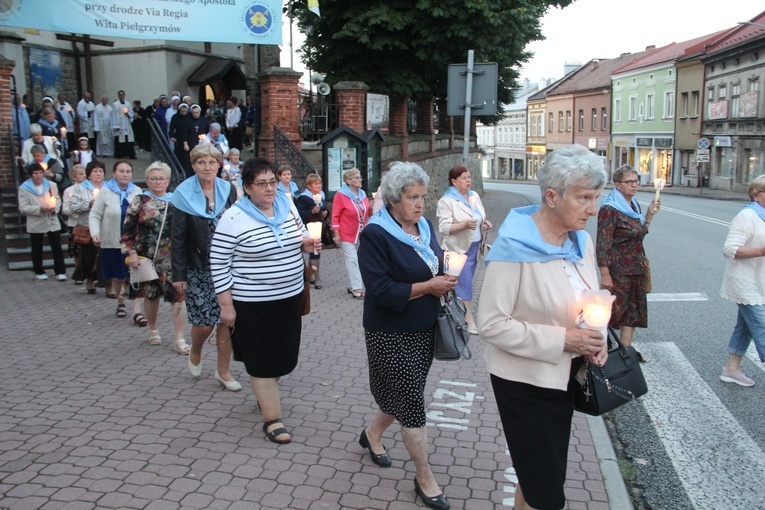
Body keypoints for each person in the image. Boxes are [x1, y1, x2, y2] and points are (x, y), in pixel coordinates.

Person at [477, 144, 609, 510]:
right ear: (552, 196)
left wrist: (597, 336)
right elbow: (491, 324)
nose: (593, 209)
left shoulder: (580, 241)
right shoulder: (514, 246)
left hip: (563, 378)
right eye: (584, 197)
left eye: (596, 197)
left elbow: (588, 297)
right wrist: (565, 339)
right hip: (524, 384)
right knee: (547, 492)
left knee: (536, 478)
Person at [357, 162, 456, 510]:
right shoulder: (375, 234)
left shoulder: (424, 226)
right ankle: (424, 477)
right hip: (390, 332)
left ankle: (372, 435)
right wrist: (430, 285)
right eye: (412, 198)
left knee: (401, 393)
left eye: (422, 196)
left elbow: (432, 259)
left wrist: (447, 267)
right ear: (393, 200)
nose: (419, 204)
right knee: (412, 402)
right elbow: (380, 290)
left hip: (424, 327)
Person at [211, 157, 320, 444]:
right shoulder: (233, 218)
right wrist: (226, 305)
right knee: (261, 360)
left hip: (289, 297)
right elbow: (219, 262)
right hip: (252, 303)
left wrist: (307, 243)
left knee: (283, 357)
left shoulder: (287, 205)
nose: (269, 188)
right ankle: (272, 419)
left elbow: (298, 237)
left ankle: (266, 393)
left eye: (272, 181)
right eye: (261, 184)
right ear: (247, 187)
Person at [170, 144, 241, 391]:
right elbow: (177, 238)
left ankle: (223, 371)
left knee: (226, 320)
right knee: (204, 323)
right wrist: (178, 274)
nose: (207, 167)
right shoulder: (182, 194)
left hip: (228, 266)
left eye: (212, 162)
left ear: (219, 164)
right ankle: (196, 349)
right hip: (198, 266)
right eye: (201, 163)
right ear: (193, 166)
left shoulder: (229, 189)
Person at [122, 161, 190, 354]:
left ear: (168, 180)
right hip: (147, 255)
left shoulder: (177, 200)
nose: (158, 182)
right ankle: (153, 329)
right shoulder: (139, 200)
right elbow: (128, 229)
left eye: (161, 178)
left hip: (172, 256)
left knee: (178, 296)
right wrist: (132, 252)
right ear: (147, 181)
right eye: (153, 178)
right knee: (151, 295)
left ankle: (179, 338)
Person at [597, 164, 660, 362]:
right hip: (618, 270)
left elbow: (639, 234)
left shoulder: (634, 207)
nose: (634, 185)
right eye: (629, 182)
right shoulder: (610, 209)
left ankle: (626, 351)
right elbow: (603, 243)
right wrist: (605, 272)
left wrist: (649, 214)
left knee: (632, 311)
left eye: (636, 181)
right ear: (617, 184)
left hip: (636, 267)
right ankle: (601, 349)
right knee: (613, 312)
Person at [719, 175, 765, 387]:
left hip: (760, 282)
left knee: (745, 327)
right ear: (756, 194)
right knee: (762, 327)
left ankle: (731, 369)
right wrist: (760, 251)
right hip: (745, 283)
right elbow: (730, 249)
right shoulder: (748, 216)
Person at [436, 164, 492, 335]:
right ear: (453, 181)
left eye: (469, 177)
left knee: (458, 283)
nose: (468, 180)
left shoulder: (474, 196)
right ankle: (468, 318)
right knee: (464, 282)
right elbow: (444, 228)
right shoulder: (447, 201)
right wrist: (464, 225)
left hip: (474, 246)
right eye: (464, 178)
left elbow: (479, 216)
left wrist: (484, 223)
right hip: (456, 249)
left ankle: (452, 313)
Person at [89, 160, 141, 318]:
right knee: (118, 275)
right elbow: (95, 214)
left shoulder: (137, 191)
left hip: (133, 241)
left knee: (135, 274)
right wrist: (95, 233)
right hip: (112, 239)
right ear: (114, 174)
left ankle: (137, 309)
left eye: (128, 172)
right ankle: (121, 302)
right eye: (121, 171)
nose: (125, 175)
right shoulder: (105, 191)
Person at [18, 163, 67, 281]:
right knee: (37, 247)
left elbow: (58, 199)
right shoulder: (24, 188)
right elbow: (23, 207)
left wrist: (54, 208)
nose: (38, 176)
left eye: (40, 172)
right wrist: (39, 209)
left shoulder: (51, 185)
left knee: (56, 246)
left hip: (51, 219)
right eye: (35, 173)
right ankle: (39, 270)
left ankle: (60, 271)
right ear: (31, 175)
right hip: (36, 221)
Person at [332, 168, 372, 298]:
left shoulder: (363, 194)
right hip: (347, 232)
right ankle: (357, 288)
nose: (360, 180)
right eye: (357, 178)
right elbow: (335, 215)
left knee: (363, 259)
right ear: (349, 181)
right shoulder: (341, 195)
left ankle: (360, 284)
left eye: (360, 177)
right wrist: (336, 233)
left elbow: (368, 212)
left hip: (362, 232)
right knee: (352, 260)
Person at [69, 160, 106, 294]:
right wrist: (89, 204)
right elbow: (72, 207)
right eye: (95, 171)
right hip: (87, 226)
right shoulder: (80, 188)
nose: (98, 174)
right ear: (89, 174)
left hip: (105, 227)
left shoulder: (108, 188)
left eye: (101, 171)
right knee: (89, 256)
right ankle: (90, 280)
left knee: (104, 256)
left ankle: (107, 284)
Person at [295, 173, 328, 289]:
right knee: (314, 252)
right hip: (309, 227)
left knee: (316, 251)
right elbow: (299, 214)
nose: (319, 186)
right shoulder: (303, 198)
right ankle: (317, 278)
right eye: (316, 184)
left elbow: (324, 208)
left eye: (320, 183)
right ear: (309, 186)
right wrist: (312, 212)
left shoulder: (321, 195)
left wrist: (325, 213)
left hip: (319, 226)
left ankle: (310, 276)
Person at [62, 164, 87, 283]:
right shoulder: (69, 191)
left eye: (85, 173)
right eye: (81, 174)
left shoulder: (90, 189)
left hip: (88, 223)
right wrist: (76, 209)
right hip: (75, 223)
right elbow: (65, 209)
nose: (84, 176)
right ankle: (79, 274)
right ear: (74, 177)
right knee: (77, 251)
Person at [169, 103, 191, 177]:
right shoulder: (175, 117)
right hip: (179, 139)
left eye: (185, 111)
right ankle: (180, 171)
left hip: (189, 139)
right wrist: (171, 136)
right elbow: (171, 128)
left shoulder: (190, 116)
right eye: (182, 111)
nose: (184, 113)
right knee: (180, 157)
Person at [112, 90, 136, 159]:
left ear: (124, 96)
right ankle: (119, 154)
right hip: (120, 125)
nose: (121, 96)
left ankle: (130, 154)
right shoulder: (115, 105)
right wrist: (116, 125)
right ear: (118, 96)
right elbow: (114, 115)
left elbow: (132, 113)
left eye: (122, 95)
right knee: (119, 139)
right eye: (120, 95)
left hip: (127, 124)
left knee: (129, 139)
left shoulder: (128, 104)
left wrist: (128, 114)